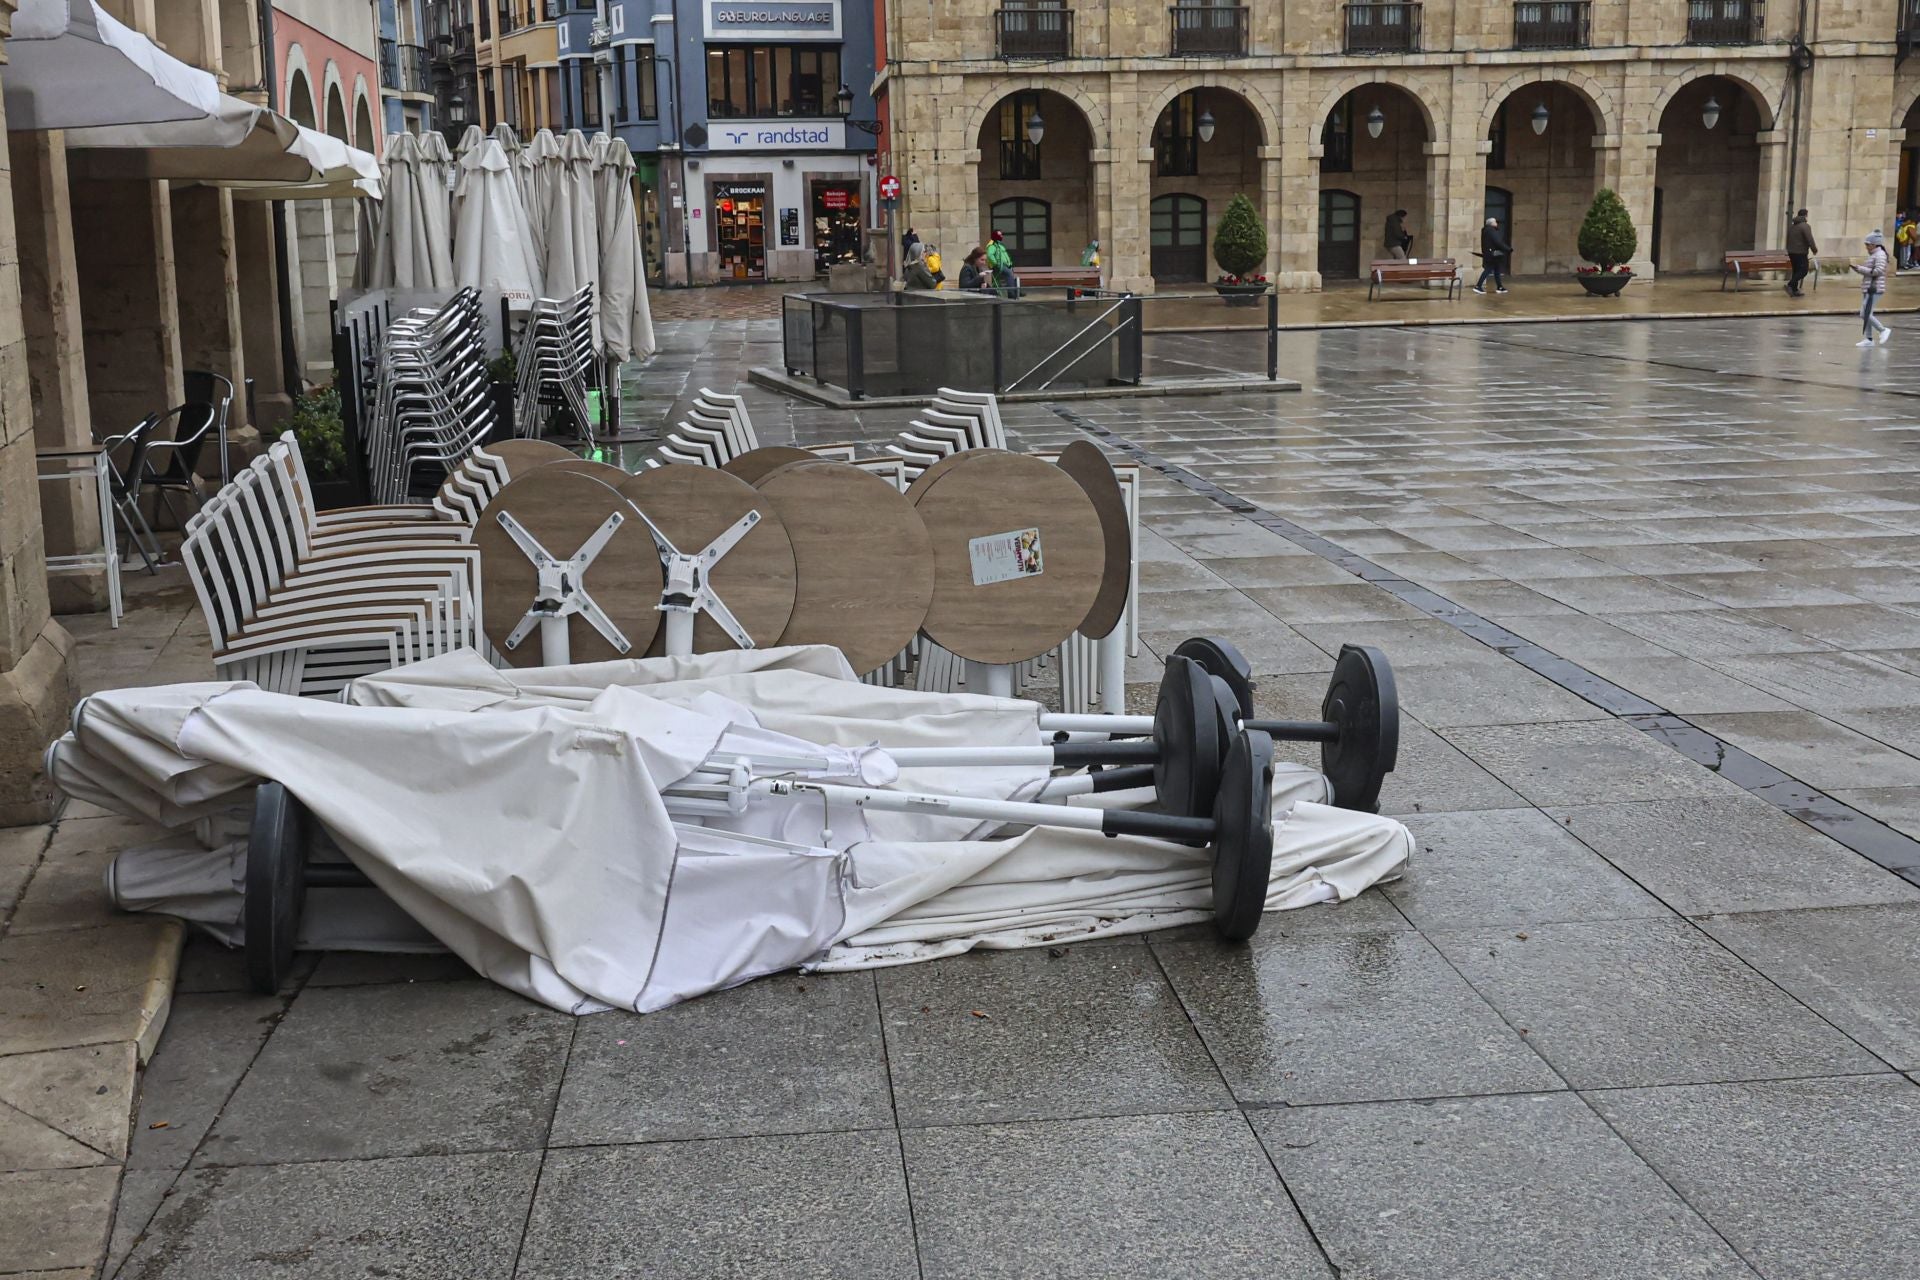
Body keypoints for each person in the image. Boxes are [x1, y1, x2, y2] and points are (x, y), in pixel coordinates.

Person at [1854, 228, 1892, 347]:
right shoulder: (1874, 255)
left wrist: (1860, 269)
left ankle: (1883, 330)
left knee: (1864, 313)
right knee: (1867, 313)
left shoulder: (1880, 255)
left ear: (1874, 244)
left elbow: (1878, 271)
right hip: (1870, 287)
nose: (1866, 247)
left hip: (1875, 288)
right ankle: (1869, 339)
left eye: (1868, 244)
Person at [1473, 217, 1511, 294]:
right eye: (1495, 222)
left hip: (1490, 253)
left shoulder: (1487, 230)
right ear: (1492, 223)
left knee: (1497, 270)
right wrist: (1508, 249)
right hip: (1492, 254)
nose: (1496, 223)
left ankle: (1499, 287)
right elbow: (1497, 242)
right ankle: (1478, 286)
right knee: (1488, 269)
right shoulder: (1491, 231)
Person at [1786, 209, 1817, 297]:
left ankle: (1795, 290)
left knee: (1796, 271)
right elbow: (1809, 239)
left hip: (1791, 252)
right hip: (1800, 252)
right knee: (1803, 270)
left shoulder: (1792, 226)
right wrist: (1814, 250)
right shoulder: (1805, 226)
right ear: (1805, 215)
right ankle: (1790, 284)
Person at [987, 229, 1017, 295]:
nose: (1002, 236)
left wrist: (1009, 264)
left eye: (1001, 234)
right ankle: (1011, 293)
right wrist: (995, 263)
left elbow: (1005, 256)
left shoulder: (1000, 245)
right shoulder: (992, 245)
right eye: (999, 235)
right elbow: (989, 255)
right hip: (999, 266)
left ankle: (996, 294)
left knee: (997, 280)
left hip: (1005, 265)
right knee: (1009, 274)